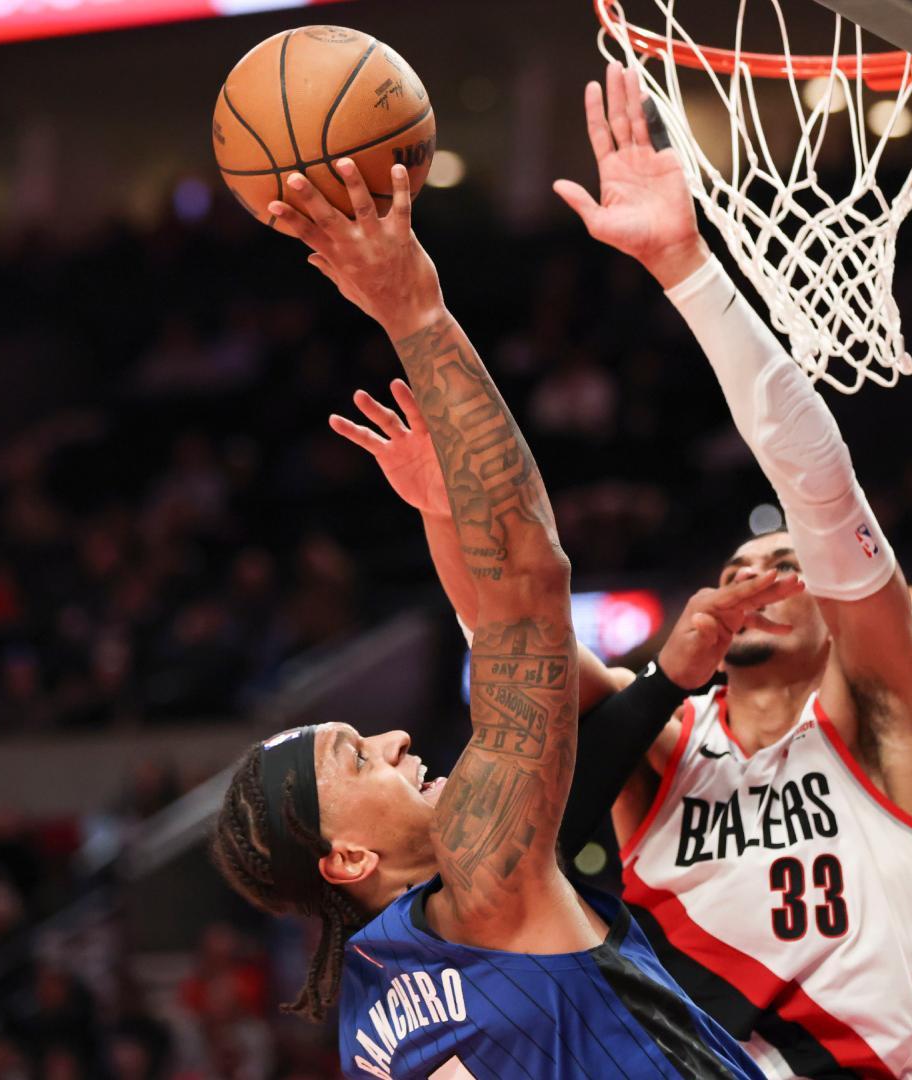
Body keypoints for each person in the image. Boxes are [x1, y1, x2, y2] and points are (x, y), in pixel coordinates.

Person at [337, 62, 912, 1079]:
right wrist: (445, 515)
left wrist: (688, 270)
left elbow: (821, 485)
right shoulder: (659, 748)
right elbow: (511, 640)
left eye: (790, 562)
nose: (767, 572)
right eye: (745, 560)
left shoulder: (879, 719)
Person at [208, 157, 779, 1079]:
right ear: (348, 858)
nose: (395, 738)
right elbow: (530, 581)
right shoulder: (482, 887)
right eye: (357, 757)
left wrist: (445, 513)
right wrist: (414, 311)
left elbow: (526, 648)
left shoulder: (375, 1008)